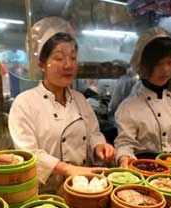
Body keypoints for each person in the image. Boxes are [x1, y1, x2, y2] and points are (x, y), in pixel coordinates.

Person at [8, 17, 115, 193]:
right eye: (59, 58)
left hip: (84, 187)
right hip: (46, 193)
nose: (68, 65)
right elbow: (29, 154)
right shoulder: (24, 103)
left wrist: (99, 147)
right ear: (41, 64)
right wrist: (68, 169)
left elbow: (93, 133)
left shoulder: (80, 100)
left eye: (73, 57)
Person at [114, 27, 171, 168]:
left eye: (170, 63)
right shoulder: (129, 106)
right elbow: (124, 144)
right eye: (158, 64)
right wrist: (124, 158)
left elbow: (167, 137)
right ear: (144, 65)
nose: (165, 70)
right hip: (144, 169)